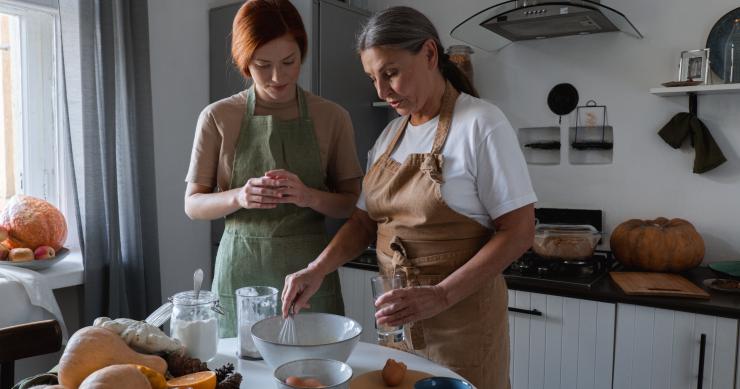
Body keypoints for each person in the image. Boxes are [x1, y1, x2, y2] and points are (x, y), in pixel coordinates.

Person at [281, 6, 536, 388]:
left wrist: (440, 295)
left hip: (462, 329)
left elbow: (519, 231)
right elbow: (364, 222)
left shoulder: (481, 123)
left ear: (430, 54)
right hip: (398, 328)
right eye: (373, 78)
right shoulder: (390, 137)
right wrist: (317, 269)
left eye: (391, 73)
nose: (382, 91)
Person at [184, 0, 362, 338]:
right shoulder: (218, 117)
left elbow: (351, 204)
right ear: (243, 61)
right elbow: (192, 204)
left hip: (310, 275)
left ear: (302, 54)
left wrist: (308, 196)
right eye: (263, 65)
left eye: (289, 62)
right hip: (240, 276)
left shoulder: (332, 117)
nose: (278, 77)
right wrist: (240, 196)